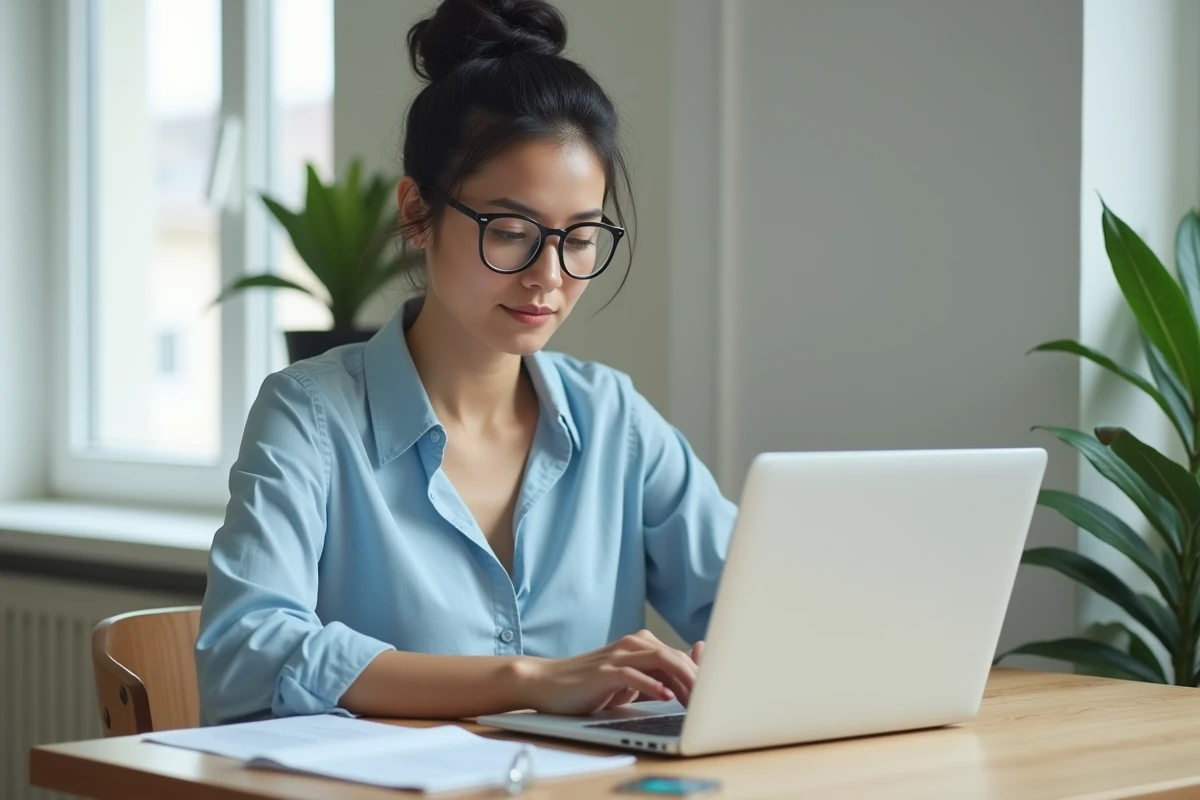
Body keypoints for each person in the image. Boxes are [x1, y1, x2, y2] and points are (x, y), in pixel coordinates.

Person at [195, 0, 736, 725]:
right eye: (511, 231)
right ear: (418, 212)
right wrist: (527, 679)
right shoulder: (310, 416)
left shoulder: (614, 420)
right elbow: (247, 655)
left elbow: (756, 601)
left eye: (579, 237)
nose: (549, 275)